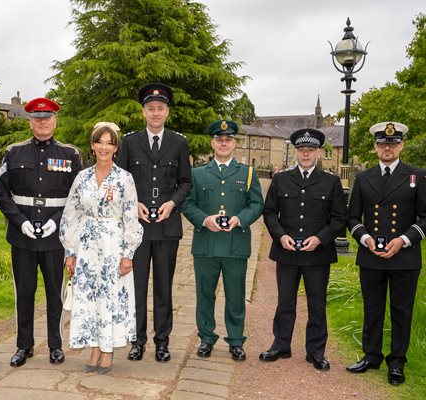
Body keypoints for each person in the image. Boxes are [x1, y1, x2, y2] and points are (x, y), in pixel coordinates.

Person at [0, 97, 83, 366]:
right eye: (37, 119)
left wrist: (56, 221)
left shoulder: (71, 154)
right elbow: (1, 191)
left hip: (55, 236)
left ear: (55, 121)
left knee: (55, 293)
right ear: (30, 122)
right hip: (22, 235)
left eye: (47, 118)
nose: (43, 123)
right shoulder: (14, 152)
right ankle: (24, 346)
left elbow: (77, 196)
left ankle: (55, 345)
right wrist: (19, 221)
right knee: (24, 293)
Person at [116, 83, 192, 362]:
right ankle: (137, 341)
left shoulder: (178, 143)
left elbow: (186, 182)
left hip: (167, 225)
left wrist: (172, 203)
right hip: (136, 228)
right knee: (136, 289)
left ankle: (162, 342)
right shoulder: (130, 142)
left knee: (163, 287)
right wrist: (131, 203)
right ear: (144, 112)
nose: (155, 113)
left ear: (167, 112)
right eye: (151, 108)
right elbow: (121, 180)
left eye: (160, 108)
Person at [59, 122, 143, 374]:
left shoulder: (124, 178)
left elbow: (130, 217)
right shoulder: (82, 177)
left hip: (112, 245)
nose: (104, 147)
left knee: (109, 297)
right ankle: (94, 348)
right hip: (85, 246)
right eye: (100, 141)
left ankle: (107, 351)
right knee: (90, 298)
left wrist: (128, 254)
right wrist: (70, 251)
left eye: (110, 142)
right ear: (92, 146)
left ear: (116, 148)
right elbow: (70, 214)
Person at [346, 122, 426, 385]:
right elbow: (352, 217)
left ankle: (397, 362)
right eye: (382, 144)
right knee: (372, 307)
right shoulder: (364, 177)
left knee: (401, 310)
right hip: (372, 254)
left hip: (404, 256)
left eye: (392, 144)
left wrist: (403, 240)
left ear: (401, 145)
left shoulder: (417, 175)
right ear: (375, 147)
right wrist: (366, 238)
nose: (387, 148)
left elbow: (425, 218)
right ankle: (371, 356)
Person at [260, 128, 347, 370]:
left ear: (319, 152)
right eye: (301, 150)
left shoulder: (331, 182)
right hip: (287, 251)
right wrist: (280, 236)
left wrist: (320, 239)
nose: (306, 154)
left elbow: (339, 218)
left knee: (317, 303)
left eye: (310, 150)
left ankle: (316, 352)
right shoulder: (281, 179)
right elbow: (269, 213)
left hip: (317, 254)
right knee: (284, 301)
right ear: (296, 152)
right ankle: (281, 345)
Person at [181, 120, 264, 360]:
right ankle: (206, 338)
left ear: (235, 143)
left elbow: (257, 204)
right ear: (212, 143)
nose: (224, 143)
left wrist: (240, 219)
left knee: (236, 296)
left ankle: (236, 340)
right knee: (205, 295)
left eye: (228, 139)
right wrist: (204, 219)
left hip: (235, 245)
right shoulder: (197, 173)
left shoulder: (247, 173)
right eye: (219, 139)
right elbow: (188, 203)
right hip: (206, 244)